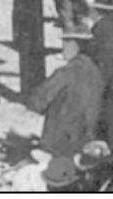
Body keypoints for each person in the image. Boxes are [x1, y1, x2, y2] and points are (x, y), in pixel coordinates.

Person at [28, 23, 106, 160]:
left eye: (67, 42)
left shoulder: (66, 72)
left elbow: (37, 102)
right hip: (88, 141)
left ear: (77, 45)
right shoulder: (97, 72)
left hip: (60, 144)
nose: (64, 46)